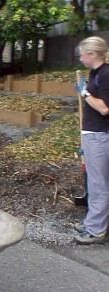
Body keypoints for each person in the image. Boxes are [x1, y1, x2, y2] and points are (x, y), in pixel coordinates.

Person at [73, 36, 109, 245]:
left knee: (98, 184)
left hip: (99, 135)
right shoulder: (96, 73)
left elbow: (105, 108)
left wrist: (84, 92)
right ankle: (92, 221)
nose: (80, 58)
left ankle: (96, 230)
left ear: (92, 54)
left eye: (82, 54)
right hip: (92, 135)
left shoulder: (105, 74)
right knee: (95, 182)